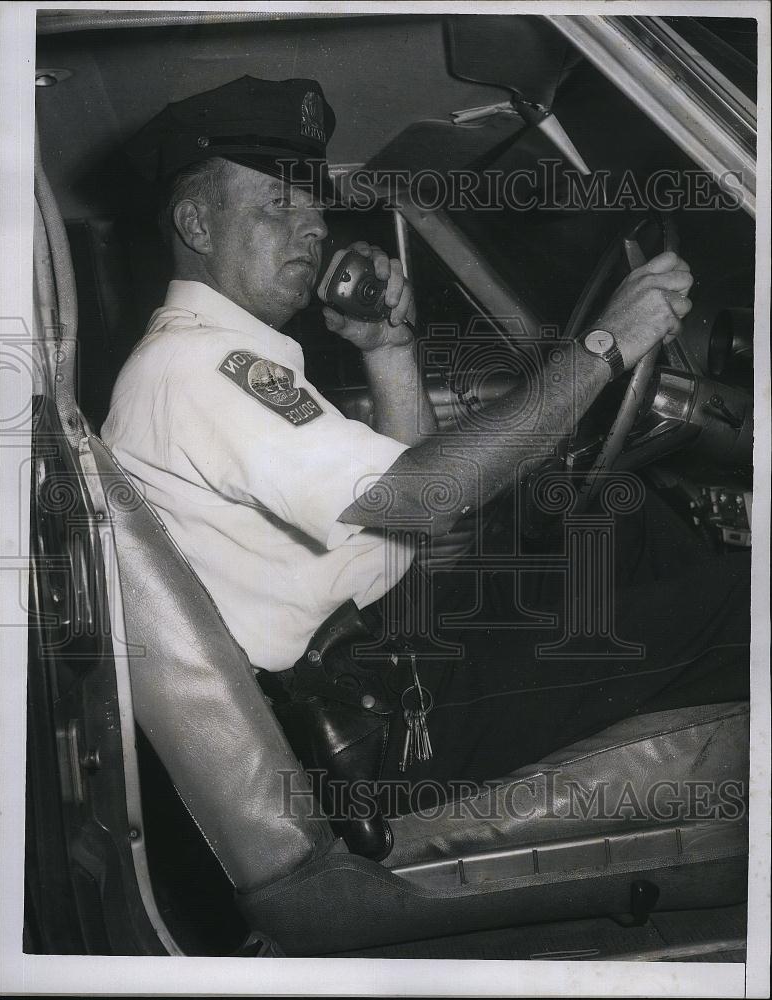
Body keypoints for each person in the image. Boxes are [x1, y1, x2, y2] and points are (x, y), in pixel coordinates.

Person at [102, 76, 750, 851]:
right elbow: (425, 500)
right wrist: (603, 348)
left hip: (392, 656)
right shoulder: (199, 369)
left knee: (625, 518)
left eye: (312, 203)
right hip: (384, 726)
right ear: (197, 223)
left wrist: (389, 348)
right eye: (277, 203)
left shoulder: (219, 357)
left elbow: (398, 497)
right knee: (741, 609)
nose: (311, 224)